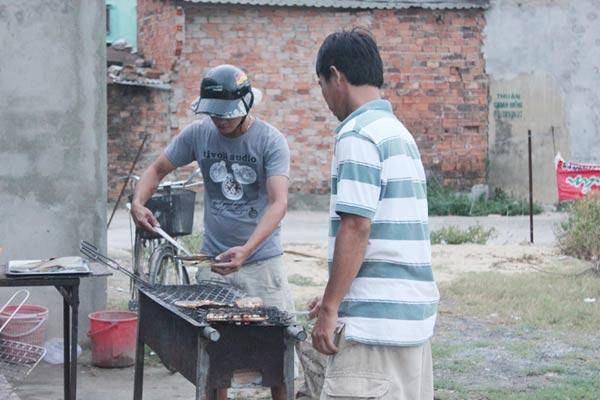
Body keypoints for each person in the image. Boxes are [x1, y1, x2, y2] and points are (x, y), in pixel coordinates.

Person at [131, 64, 294, 400]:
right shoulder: (198, 134)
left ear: (247, 105)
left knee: (277, 359)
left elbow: (278, 203)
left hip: (262, 264)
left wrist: (247, 249)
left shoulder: (270, 141)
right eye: (215, 114)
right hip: (214, 262)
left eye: (227, 115)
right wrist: (138, 202)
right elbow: (157, 168)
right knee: (213, 359)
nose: (220, 121)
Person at [308, 29, 440, 400]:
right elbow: (385, 235)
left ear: (337, 76)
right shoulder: (398, 133)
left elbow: (357, 226)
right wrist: (337, 291)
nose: (326, 100)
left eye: (322, 86)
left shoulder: (356, 134)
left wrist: (331, 309)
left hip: (373, 333)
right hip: (411, 325)